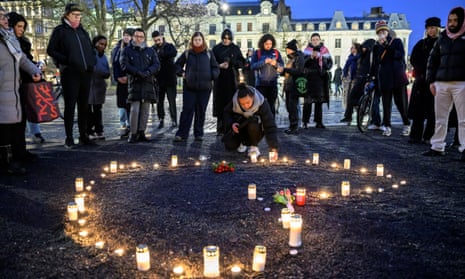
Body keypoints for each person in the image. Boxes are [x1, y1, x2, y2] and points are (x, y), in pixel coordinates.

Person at [47, 3, 97, 149]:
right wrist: (66, 60)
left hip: (85, 73)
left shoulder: (83, 31)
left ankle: (84, 135)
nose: (78, 18)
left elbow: (90, 49)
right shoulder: (60, 31)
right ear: (67, 15)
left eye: (79, 16)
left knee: (84, 106)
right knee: (70, 106)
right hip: (70, 73)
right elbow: (51, 50)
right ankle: (69, 137)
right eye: (75, 15)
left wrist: (91, 63)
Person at [0, 6, 41, 175]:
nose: (5, 20)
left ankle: (12, 158)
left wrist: (34, 71)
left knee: (13, 124)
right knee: (3, 126)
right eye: (1, 17)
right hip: (3, 88)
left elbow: (22, 59)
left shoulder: (10, 39)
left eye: (4, 16)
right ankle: (6, 161)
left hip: (12, 89)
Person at [423, 6, 465, 161]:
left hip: (461, 83)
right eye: (450, 20)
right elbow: (432, 60)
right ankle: (437, 146)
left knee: (463, 119)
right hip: (442, 82)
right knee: (440, 117)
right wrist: (431, 81)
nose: (453, 23)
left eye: (456, 20)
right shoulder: (443, 38)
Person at [7, 12, 46, 146]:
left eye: (23, 27)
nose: (21, 30)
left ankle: (23, 143)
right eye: (19, 26)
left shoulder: (23, 42)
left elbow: (26, 60)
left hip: (26, 82)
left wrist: (36, 69)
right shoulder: (8, 42)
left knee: (25, 112)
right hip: (14, 83)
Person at [173, 31, 219, 142]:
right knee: (187, 110)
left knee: (201, 110)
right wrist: (182, 73)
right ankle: (182, 134)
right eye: (195, 40)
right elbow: (177, 65)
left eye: (199, 40)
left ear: (203, 41)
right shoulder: (188, 53)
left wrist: (212, 76)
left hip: (205, 88)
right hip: (190, 87)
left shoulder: (209, 53)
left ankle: (198, 133)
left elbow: (215, 67)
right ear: (192, 41)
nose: (197, 42)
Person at [370, 20, 410, 137]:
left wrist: (387, 46)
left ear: (387, 31)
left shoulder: (396, 41)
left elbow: (400, 55)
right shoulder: (377, 46)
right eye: (379, 32)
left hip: (397, 77)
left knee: (401, 103)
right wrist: (372, 77)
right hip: (385, 77)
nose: (382, 33)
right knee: (386, 104)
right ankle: (387, 126)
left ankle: (406, 123)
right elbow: (376, 63)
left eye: (383, 31)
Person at [120, 28, 160, 143]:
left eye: (141, 37)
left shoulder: (150, 51)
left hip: (147, 82)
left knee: (145, 110)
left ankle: (142, 131)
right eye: (137, 36)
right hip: (135, 82)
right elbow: (124, 64)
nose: (139, 39)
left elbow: (156, 64)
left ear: (144, 38)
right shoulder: (127, 50)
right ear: (133, 37)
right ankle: (133, 133)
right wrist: (137, 72)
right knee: (135, 109)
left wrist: (148, 72)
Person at [407, 17, 441, 144]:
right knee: (418, 111)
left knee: (432, 111)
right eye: (428, 28)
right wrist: (420, 69)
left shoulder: (441, 43)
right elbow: (413, 58)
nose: (431, 31)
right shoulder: (421, 43)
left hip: (434, 80)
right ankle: (415, 135)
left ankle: (429, 136)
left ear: (437, 29)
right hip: (421, 80)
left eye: (433, 28)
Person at [222, 83, 279, 158]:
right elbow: (226, 113)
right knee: (230, 145)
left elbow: (269, 125)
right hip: (240, 128)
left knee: (253, 122)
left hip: (255, 130)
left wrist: (273, 147)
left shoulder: (262, 103)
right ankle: (241, 143)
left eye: (248, 102)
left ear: (253, 97)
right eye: (242, 104)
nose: (246, 106)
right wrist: (232, 123)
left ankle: (254, 146)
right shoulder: (234, 102)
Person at [212, 29, 245, 136]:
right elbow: (211, 63)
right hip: (220, 80)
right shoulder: (216, 49)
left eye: (228, 38)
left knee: (231, 104)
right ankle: (220, 128)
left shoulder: (235, 49)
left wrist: (232, 62)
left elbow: (241, 62)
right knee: (220, 104)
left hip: (232, 80)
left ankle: (231, 127)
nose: (226, 40)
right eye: (224, 38)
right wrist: (219, 65)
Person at [302, 33, 333, 129]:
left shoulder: (324, 50)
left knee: (319, 101)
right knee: (308, 102)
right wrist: (310, 57)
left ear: (320, 40)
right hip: (309, 79)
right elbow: (303, 64)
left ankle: (318, 121)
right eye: (313, 39)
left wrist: (322, 59)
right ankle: (305, 121)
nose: (315, 41)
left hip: (320, 78)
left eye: (317, 39)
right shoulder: (307, 51)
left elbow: (330, 64)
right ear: (311, 41)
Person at [250, 33, 284, 116]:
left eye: (270, 44)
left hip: (273, 84)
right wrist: (264, 62)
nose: (268, 46)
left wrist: (275, 64)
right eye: (266, 44)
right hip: (261, 84)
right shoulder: (257, 53)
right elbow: (252, 66)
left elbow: (282, 67)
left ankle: (271, 124)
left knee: (272, 105)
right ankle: (261, 124)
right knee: (260, 105)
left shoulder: (276, 53)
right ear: (263, 43)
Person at [152, 30, 178, 129]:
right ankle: (161, 118)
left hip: (170, 78)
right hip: (158, 79)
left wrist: (160, 55)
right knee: (159, 101)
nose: (158, 42)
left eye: (159, 39)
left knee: (172, 101)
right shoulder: (153, 49)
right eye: (155, 40)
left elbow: (173, 53)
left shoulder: (169, 46)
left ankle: (174, 119)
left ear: (162, 37)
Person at [111, 28, 133, 138]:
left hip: (131, 81)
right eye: (125, 35)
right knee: (121, 103)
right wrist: (117, 77)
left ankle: (130, 124)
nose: (126, 37)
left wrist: (129, 77)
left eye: (129, 35)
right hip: (120, 80)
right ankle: (123, 124)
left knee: (129, 103)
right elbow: (114, 64)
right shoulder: (117, 49)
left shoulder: (134, 49)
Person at [87, 35, 110, 140]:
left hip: (99, 85)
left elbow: (106, 70)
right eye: (101, 44)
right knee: (88, 109)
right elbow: (94, 68)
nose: (103, 46)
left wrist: (105, 73)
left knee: (98, 109)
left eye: (104, 44)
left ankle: (99, 130)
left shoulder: (104, 56)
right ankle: (89, 130)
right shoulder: (91, 54)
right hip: (90, 84)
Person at [282, 39, 305, 134]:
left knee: (293, 107)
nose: (286, 51)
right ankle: (291, 126)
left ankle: (295, 127)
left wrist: (286, 70)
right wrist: (281, 71)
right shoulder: (291, 58)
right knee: (289, 106)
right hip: (288, 85)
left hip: (294, 86)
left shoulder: (299, 58)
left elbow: (299, 71)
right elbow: (287, 71)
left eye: (288, 49)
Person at [340, 43, 361, 124]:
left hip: (354, 81)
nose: (351, 48)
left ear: (356, 49)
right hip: (347, 81)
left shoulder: (359, 58)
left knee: (354, 99)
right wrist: (343, 77)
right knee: (347, 98)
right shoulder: (350, 57)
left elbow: (358, 69)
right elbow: (346, 68)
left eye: (352, 47)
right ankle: (348, 116)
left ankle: (358, 115)